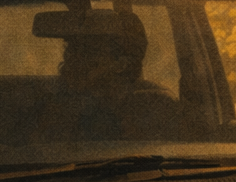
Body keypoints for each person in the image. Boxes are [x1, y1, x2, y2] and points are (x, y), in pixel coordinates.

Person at [37, 8, 181, 142]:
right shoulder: (55, 109)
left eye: (90, 52)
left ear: (122, 64)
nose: (74, 59)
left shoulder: (155, 111)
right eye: (72, 50)